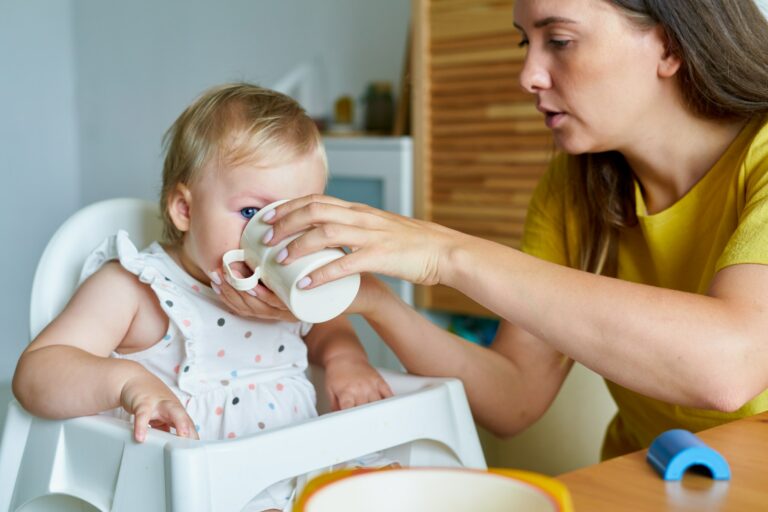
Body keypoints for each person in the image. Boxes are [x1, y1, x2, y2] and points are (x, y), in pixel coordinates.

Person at [259, 0, 768, 460]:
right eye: (526, 42)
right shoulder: (575, 187)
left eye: (560, 41)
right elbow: (514, 398)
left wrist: (447, 253)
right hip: (648, 479)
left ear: (670, 46)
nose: (528, 75)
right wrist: (374, 300)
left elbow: (730, 366)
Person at [12, 83, 393, 511]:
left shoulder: (281, 293)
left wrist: (346, 360)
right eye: (252, 213)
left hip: (301, 471)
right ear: (185, 210)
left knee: (395, 485)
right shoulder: (138, 289)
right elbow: (37, 373)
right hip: (205, 492)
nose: (276, 238)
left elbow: (327, 326)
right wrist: (127, 384)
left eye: (296, 217)